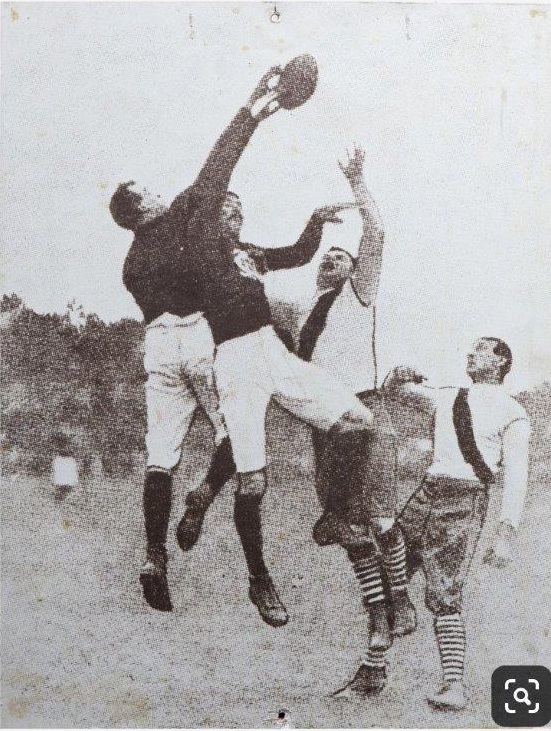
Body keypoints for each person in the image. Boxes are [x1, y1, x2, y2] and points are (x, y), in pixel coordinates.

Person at [180, 67, 378, 629]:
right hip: (236, 359)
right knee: (255, 479)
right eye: (227, 207)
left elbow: (294, 254)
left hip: (272, 351)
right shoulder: (201, 249)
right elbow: (220, 164)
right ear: (208, 214)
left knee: (358, 421)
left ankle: (335, 513)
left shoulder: (246, 253)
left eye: (240, 208)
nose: (235, 212)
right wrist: (252, 108)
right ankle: (258, 578)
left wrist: (315, 222)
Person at [286, 147, 415, 698]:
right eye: (326, 259)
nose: (330, 263)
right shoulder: (303, 311)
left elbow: (378, 233)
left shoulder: (358, 296)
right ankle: (378, 642)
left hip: (363, 411)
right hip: (325, 421)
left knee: (379, 516)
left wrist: (359, 184)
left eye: (340, 258)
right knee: (345, 528)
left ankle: (402, 599)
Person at [110, 145, 237, 613]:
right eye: (150, 192)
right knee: (238, 433)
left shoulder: (130, 264)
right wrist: (253, 111)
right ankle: (203, 495)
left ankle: (154, 554)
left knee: (160, 457)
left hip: (157, 347)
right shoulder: (176, 225)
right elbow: (216, 167)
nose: (161, 194)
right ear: (141, 207)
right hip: (197, 335)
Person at [381, 337, 530, 710]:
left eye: (481, 349)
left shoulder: (514, 412)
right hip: (425, 494)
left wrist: (506, 533)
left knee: (445, 595)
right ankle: (372, 670)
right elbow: (396, 395)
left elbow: (517, 478)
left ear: (500, 361)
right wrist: (396, 377)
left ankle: (454, 687)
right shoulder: (447, 396)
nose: (470, 353)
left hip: (464, 503)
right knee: (387, 576)